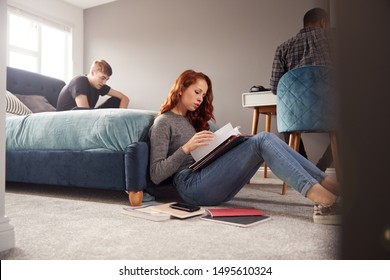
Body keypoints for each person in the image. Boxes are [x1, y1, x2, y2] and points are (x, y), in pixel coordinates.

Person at [149, 69, 341, 225]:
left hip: (206, 178)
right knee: (262, 141)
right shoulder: (163, 122)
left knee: (263, 137)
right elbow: (156, 174)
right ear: (181, 89)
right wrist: (186, 148)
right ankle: (327, 201)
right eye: (197, 92)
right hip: (190, 187)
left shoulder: (188, 121)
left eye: (204, 94)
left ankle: (333, 188)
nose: (200, 98)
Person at [270, 7, 334, 171]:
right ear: (323, 23)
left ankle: (306, 170)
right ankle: (320, 168)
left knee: (285, 115)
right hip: (330, 110)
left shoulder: (283, 48)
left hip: (296, 115)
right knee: (352, 124)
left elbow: (276, 88)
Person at [56, 59, 129, 111]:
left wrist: (121, 116)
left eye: (106, 79)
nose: (104, 83)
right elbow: (85, 112)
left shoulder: (98, 85)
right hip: (68, 120)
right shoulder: (80, 81)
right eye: (102, 78)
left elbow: (124, 98)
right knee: (88, 113)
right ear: (92, 72)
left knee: (116, 100)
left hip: (85, 115)